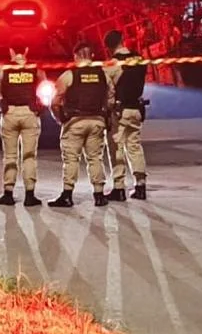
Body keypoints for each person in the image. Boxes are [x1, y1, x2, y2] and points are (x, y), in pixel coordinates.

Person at [49, 41, 111, 208]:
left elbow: (55, 101)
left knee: (71, 159)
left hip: (75, 121)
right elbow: (110, 99)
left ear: (75, 56)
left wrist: (60, 118)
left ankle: (67, 195)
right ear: (92, 55)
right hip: (97, 121)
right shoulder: (103, 74)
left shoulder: (69, 75)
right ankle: (99, 195)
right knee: (95, 158)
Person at [0, 42, 44, 207]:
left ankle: (8, 193)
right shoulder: (36, 70)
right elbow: (44, 91)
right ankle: (30, 195)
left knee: (10, 156)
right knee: (29, 155)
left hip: (10, 114)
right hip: (30, 113)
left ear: (10, 51)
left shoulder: (3, 70)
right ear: (26, 50)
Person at [104, 29, 148, 201]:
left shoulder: (112, 65)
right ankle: (141, 185)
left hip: (119, 111)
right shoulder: (139, 59)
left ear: (108, 47)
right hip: (137, 108)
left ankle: (119, 187)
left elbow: (108, 89)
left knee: (117, 148)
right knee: (135, 146)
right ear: (123, 40)